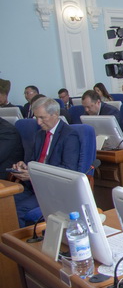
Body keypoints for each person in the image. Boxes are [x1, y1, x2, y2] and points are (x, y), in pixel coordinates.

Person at [12, 97, 80, 227]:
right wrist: (24, 166)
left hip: (54, 190)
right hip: (34, 186)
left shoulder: (69, 135)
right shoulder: (39, 134)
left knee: (18, 209)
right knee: (5, 203)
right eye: (36, 117)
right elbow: (34, 161)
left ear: (55, 115)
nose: (38, 122)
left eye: (42, 117)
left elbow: (68, 169)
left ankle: (21, 246)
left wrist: (33, 174)